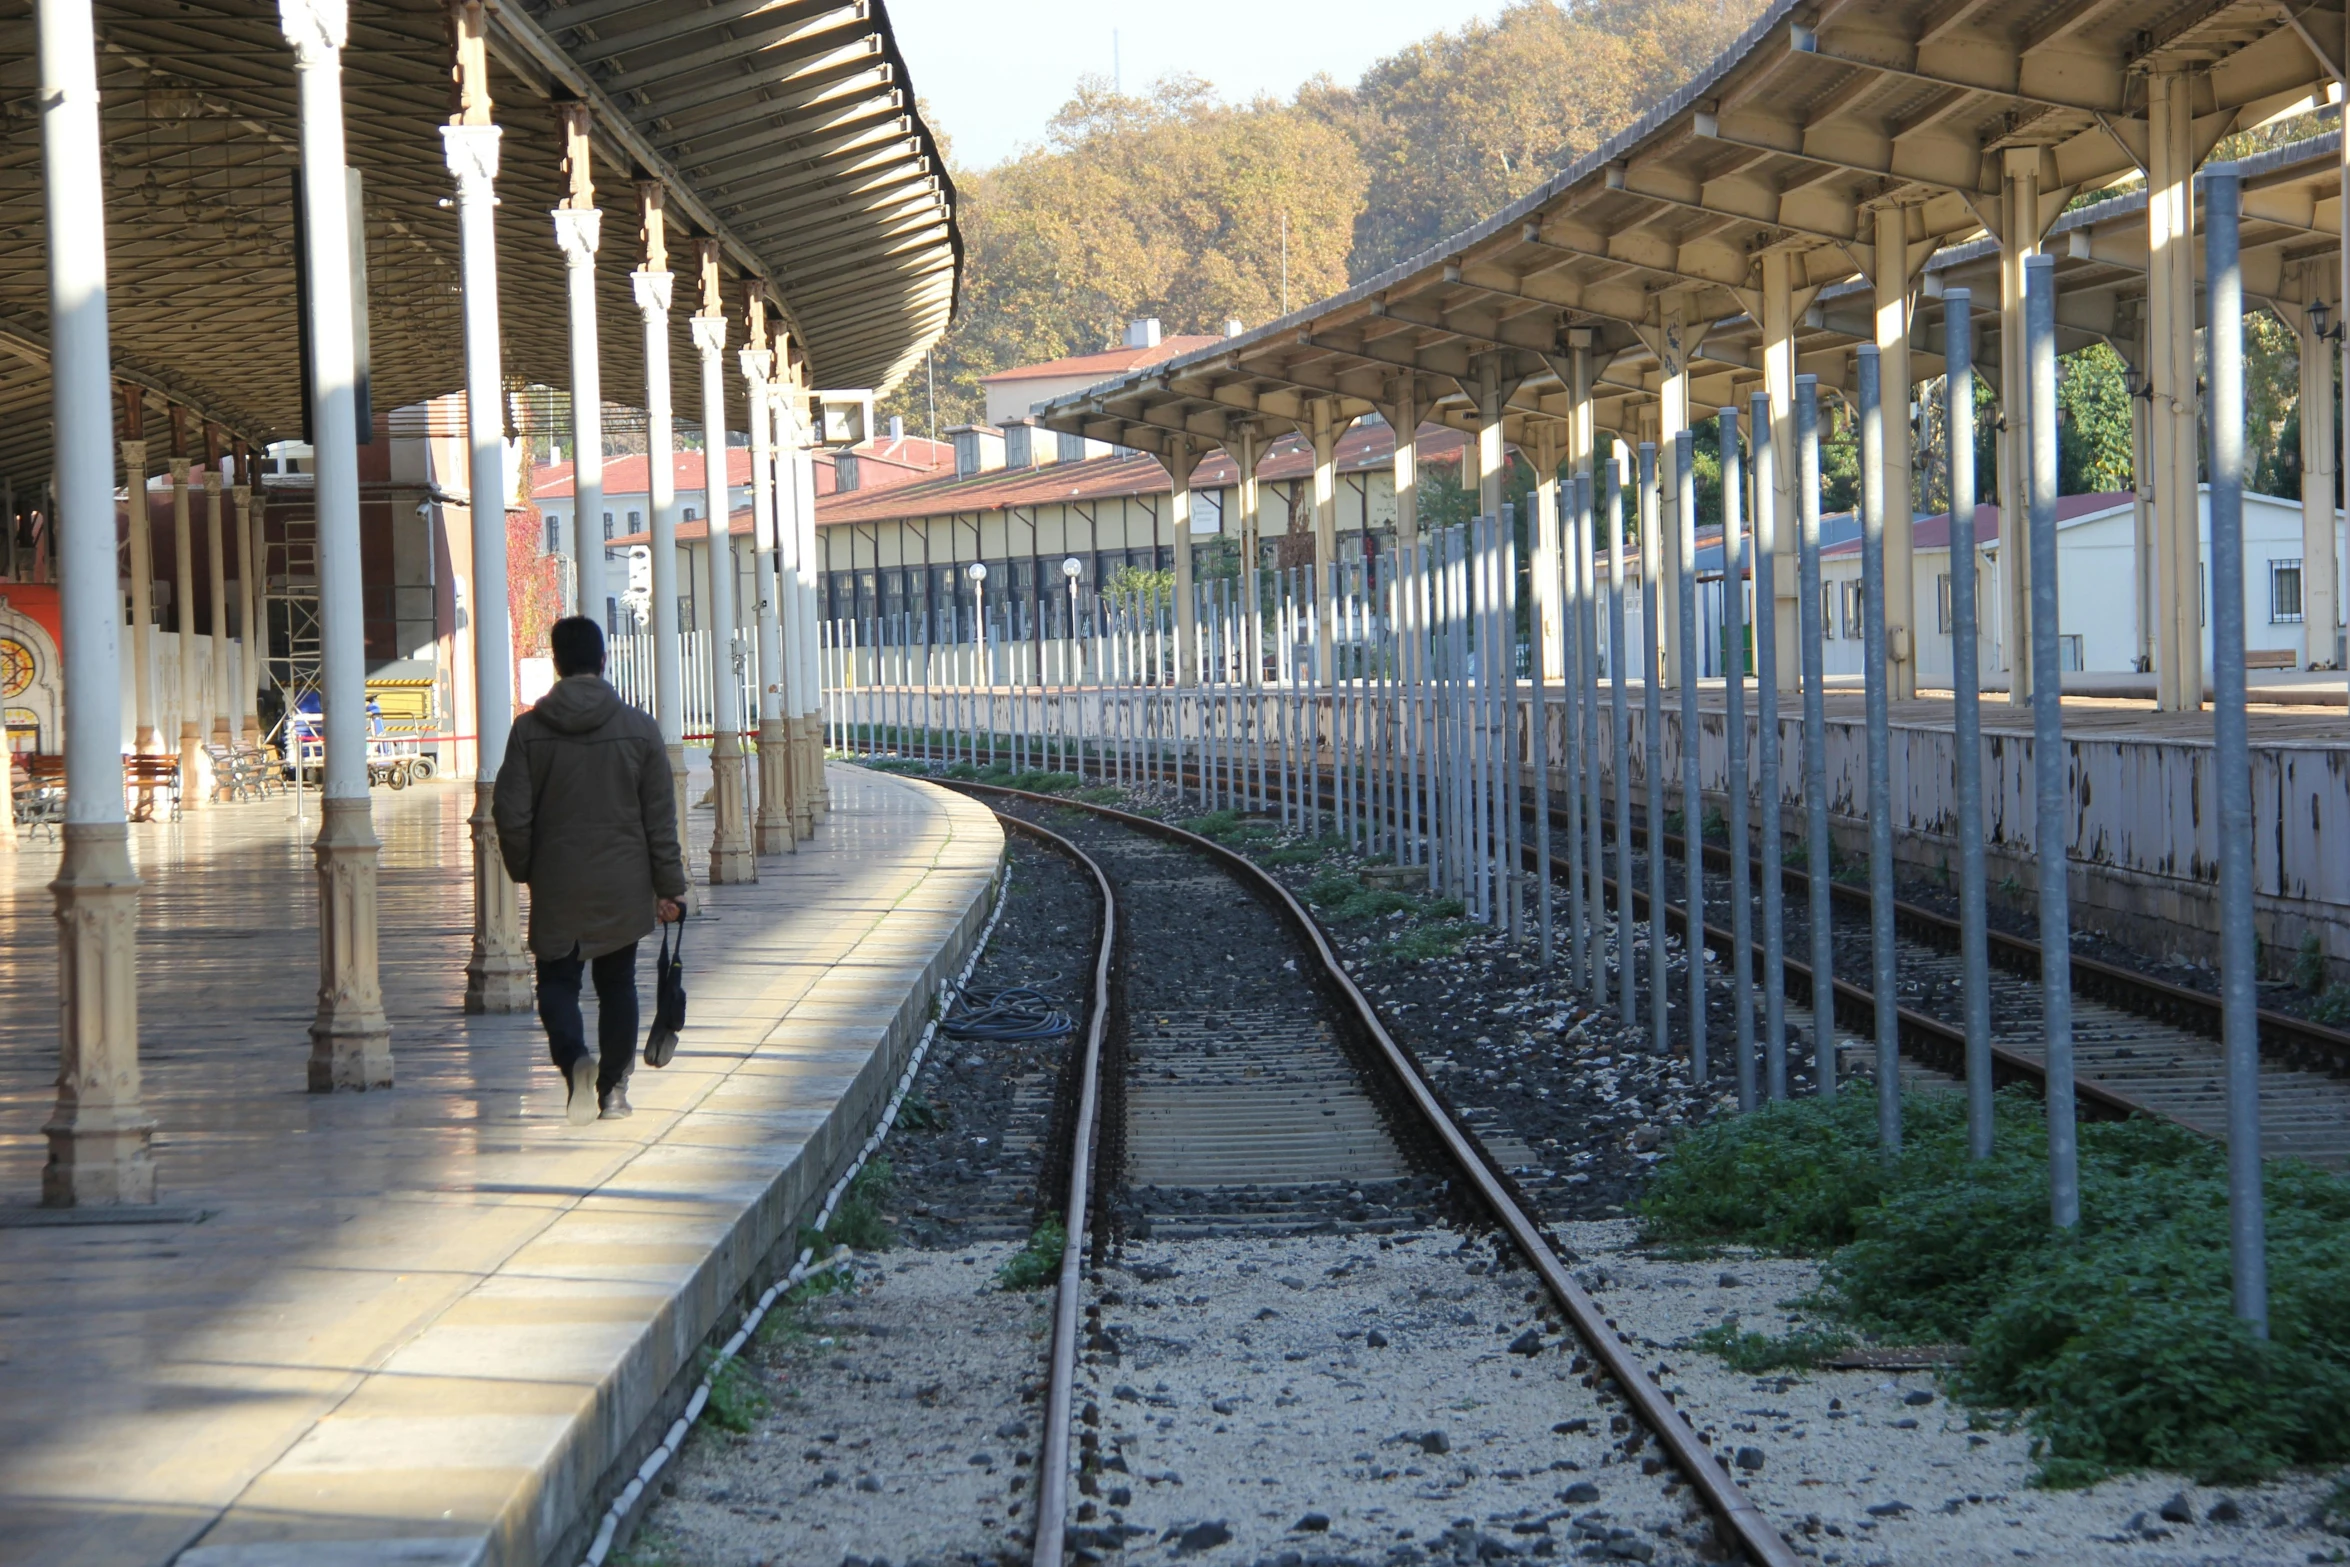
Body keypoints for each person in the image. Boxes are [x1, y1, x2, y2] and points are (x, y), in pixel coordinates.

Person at [494, 615, 688, 1124]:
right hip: (623, 885)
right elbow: (659, 820)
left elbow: (510, 814)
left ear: (556, 665)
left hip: (558, 881)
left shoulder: (528, 732)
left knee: (557, 983)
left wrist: (527, 869)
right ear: (604, 661)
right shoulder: (640, 729)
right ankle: (614, 1092)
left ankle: (576, 1060)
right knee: (617, 985)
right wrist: (670, 887)